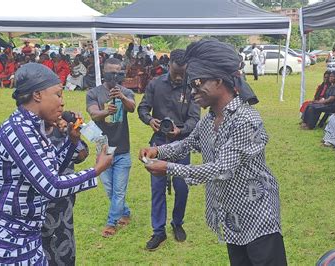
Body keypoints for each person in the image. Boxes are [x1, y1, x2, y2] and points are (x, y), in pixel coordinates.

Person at [140, 38, 287, 265]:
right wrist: (157, 151)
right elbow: (186, 144)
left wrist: (168, 167)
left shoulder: (245, 119)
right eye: (190, 84)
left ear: (219, 80)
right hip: (232, 216)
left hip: (258, 217)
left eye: (197, 83)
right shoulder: (209, 119)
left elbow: (221, 169)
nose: (192, 91)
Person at [0, 63, 113, 264]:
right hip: (2, 234)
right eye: (58, 94)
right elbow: (51, 185)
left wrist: (72, 141)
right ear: (37, 95)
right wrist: (95, 171)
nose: (62, 102)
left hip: (20, 231)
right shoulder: (19, 131)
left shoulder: (33, 127)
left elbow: (48, 170)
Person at [138, 49, 201, 250]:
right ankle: (158, 231)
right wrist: (150, 120)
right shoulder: (155, 84)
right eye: (176, 73)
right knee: (157, 189)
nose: (179, 77)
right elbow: (143, 108)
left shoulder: (191, 86)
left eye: (183, 72)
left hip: (181, 144)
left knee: (181, 187)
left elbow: (195, 118)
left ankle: (177, 223)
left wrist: (180, 130)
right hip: (157, 142)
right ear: (169, 65)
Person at [86, 57, 136, 237]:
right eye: (111, 72)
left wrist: (121, 97)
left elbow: (132, 107)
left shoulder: (126, 92)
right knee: (109, 189)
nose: (114, 75)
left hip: (122, 149)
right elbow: (93, 113)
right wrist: (107, 111)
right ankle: (126, 212)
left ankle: (111, 223)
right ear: (104, 71)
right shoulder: (94, 93)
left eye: (118, 72)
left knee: (119, 190)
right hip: (104, 149)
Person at [41, 115, 89, 265]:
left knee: (64, 247)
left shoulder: (63, 129)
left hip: (63, 202)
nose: (60, 103)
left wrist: (72, 136)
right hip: (39, 204)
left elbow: (82, 155)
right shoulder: (32, 133)